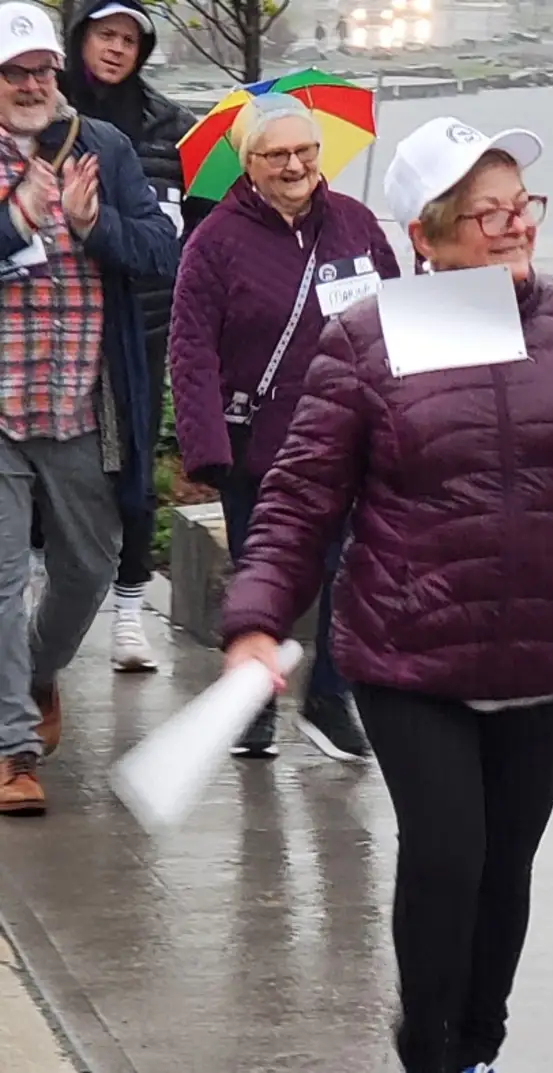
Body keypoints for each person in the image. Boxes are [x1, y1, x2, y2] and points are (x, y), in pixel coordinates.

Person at [217, 115, 553, 1072]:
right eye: (483, 214)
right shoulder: (371, 338)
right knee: (449, 856)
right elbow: (300, 496)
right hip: (411, 653)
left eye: (518, 204)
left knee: (506, 869)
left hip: (541, 648)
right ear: (427, 237)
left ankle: (479, 1040)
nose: (512, 225)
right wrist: (255, 618)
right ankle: (432, 1048)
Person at [168, 93, 400, 761]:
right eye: (277, 155)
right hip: (259, 444)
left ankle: (329, 695)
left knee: (350, 569)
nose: (295, 164)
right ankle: (254, 700)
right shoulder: (215, 241)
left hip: (350, 435)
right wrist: (207, 448)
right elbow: (189, 348)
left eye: (306, 150)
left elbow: (395, 315)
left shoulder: (354, 224)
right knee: (262, 578)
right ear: (250, 164)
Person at [0, 1, 179, 815]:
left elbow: (161, 250)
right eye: (14, 74)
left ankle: (36, 672)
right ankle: (12, 750)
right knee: (1, 580)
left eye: (41, 70)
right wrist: (15, 222)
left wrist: (92, 221)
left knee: (88, 568)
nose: (33, 85)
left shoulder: (101, 147)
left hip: (81, 402)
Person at [58, 0, 213, 673]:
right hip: (50, 326)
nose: (116, 49)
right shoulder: (38, 113)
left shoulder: (171, 127)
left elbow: (191, 234)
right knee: (40, 474)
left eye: (129, 40)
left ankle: (128, 610)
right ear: (79, 39)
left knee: (134, 470)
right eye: (105, 35)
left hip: (140, 326)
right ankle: (40, 610)